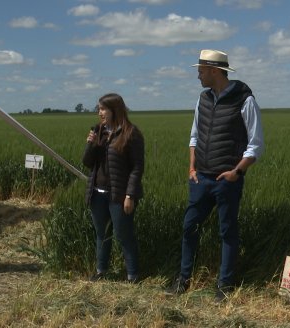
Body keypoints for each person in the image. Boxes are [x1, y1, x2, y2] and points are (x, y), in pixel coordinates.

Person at [166, 49, 264, 301]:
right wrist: (191, 168)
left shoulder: (245, 100)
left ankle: (224, 286)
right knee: (189, 227)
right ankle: (183, 279)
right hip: (201, 179)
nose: (198, 75)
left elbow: (256, 144)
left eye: (200, 71)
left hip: (227, 180)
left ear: (214, 71)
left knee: (227, 232)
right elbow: (194, 136)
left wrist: (236, 172)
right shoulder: (203, 99)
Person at [82, 93, 144, 283]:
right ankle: (101, 271)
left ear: (114, 110)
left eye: (103, 109)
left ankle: (133, 275)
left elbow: (137, 167)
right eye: (98, 109)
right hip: (98, 193)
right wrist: (92, 144)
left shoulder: (131, 133)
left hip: (119, 195)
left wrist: (130, 195)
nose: (99, 113)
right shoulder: (99, 131)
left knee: (124, 234)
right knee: (102, 234)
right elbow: (87, 162)